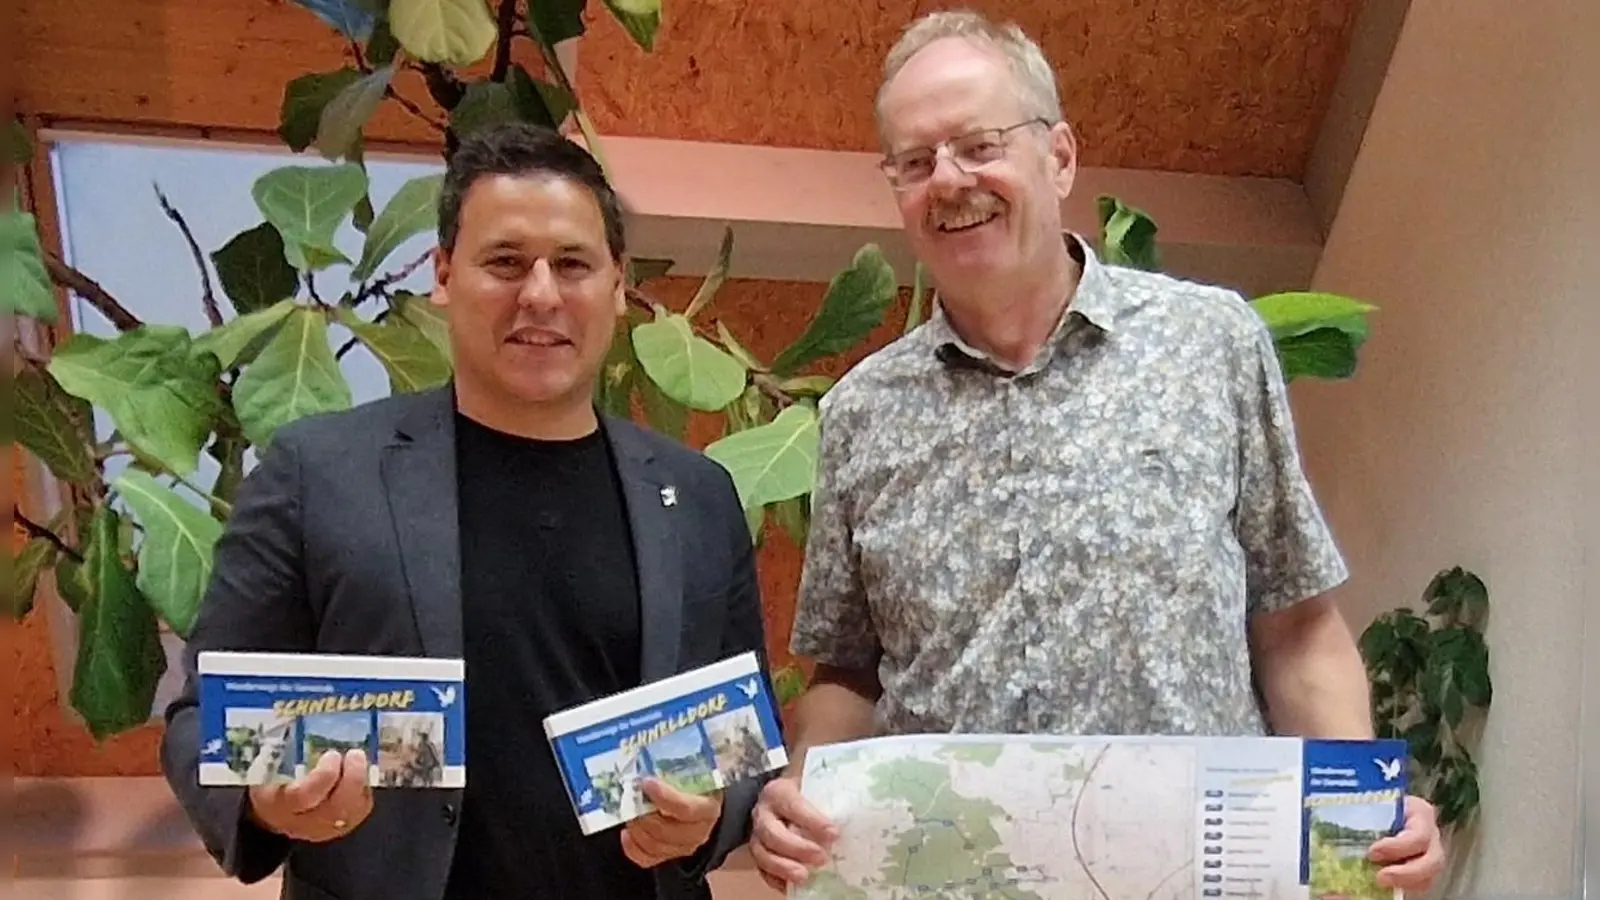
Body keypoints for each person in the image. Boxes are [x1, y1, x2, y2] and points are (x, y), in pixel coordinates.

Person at [748, 9, 1447, 895]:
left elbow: (1297, 627)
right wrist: (801, 790)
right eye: (914, 162)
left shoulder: (1212, 345)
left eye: (977, 144)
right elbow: (848, 670)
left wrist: (1363, 819)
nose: (948, 181)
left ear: (1061, 157)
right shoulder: (860, 414)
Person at [159, 122, 771, 900]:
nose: (541, 293)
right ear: (445, 274)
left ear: (618, 285)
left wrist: (711, 817)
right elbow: (200, 712)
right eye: (505, 262)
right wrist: (264, 800)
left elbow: (741, 742)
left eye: (573, 264)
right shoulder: (316, 472)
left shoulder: (699, 497)